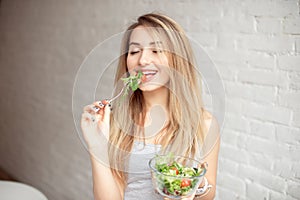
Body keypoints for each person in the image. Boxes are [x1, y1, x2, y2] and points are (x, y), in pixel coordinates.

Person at [81, 13, 220, 200]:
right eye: (134, 51)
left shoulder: (204, 123)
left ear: (177, 59)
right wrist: (97, 146)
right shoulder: (114, 123)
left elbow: (209, 194)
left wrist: (195, 184)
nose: (143, 60)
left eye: (156, 50)